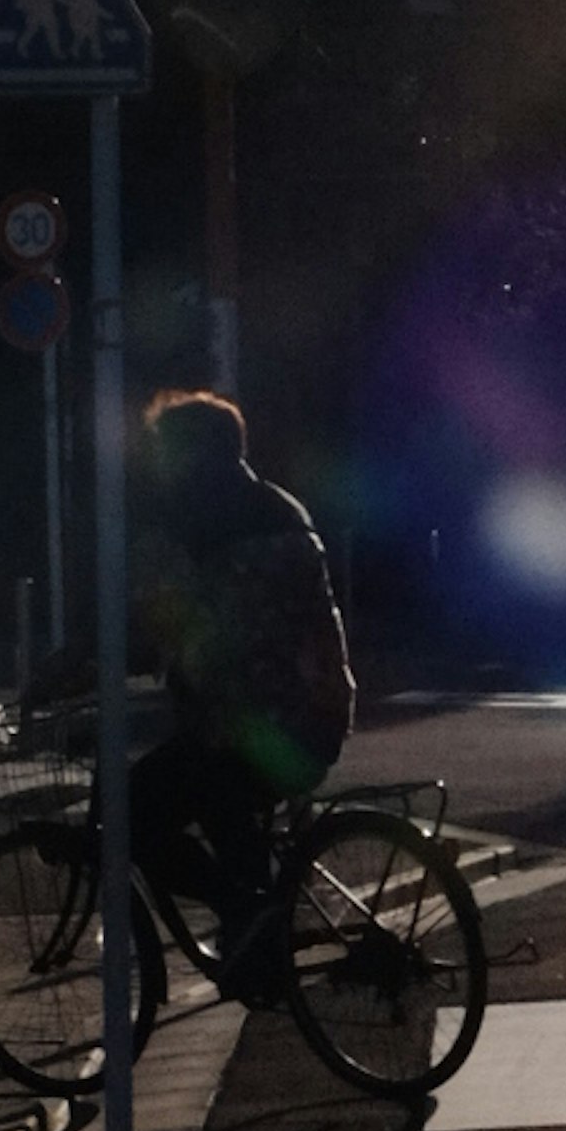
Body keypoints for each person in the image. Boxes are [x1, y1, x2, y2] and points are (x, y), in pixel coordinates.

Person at [122, 391, 355, 971]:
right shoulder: (282, 508)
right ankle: (259, 944)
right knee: (222, 798)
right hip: (316, 721)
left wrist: (84, 663)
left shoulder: (199, 526)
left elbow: (156, 621)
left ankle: (243, 911)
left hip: (249, 729)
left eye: (165, 452)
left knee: (126, 813)